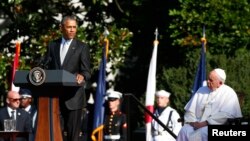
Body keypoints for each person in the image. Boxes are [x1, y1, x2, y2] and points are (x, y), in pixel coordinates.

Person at [44, 15, 91, 141]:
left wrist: (82, 76)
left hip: (73, 99)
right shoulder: (52, 45)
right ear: (61, 28)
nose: (72, 30)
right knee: (56, 135)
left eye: (74, 27)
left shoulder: (82, 47)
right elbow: (45, 65)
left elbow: (87, 71)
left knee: (72, 137)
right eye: (69, 27)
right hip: (55, 99)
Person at [176, 68, 242, 141]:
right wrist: (193, 122)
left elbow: (227, 115)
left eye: (211, 80)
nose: (207, 81)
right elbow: (191, 111)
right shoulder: (202, 90)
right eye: (208, 78)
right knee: (184, 130)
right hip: (197, 124)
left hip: (216, 128)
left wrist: (206, 123)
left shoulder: (229, 93)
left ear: (220, 83)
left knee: (199, 134)